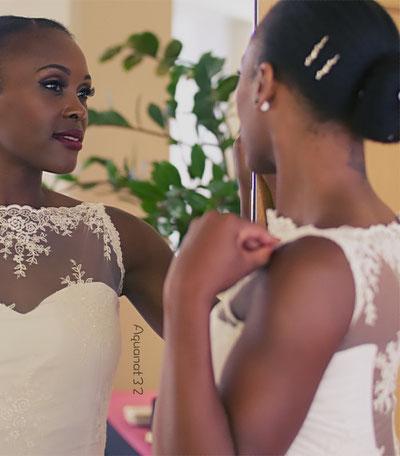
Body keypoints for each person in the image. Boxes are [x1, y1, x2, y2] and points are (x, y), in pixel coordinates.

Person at [153, 0, 400, 455]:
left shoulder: (315, 268)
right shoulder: (381, 229)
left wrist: (185, 293)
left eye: (244, 74)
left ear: (263, 82)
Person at [0, 16, 172, 455]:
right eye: (54, 86)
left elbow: (236, 349)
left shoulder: (119, 238)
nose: (78, 108)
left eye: (82, 92)